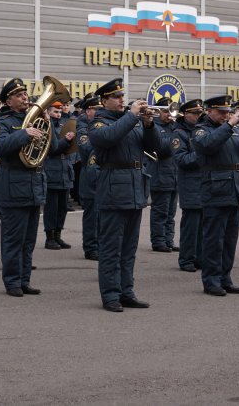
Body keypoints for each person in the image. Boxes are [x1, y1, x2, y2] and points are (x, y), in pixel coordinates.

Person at [88, 78, 159, 312]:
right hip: (113, 191)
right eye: (116, 97)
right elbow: (108, 138)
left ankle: (126, 291)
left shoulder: (134, 123)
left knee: (129, 248)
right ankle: (110, 295)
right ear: (104, 100)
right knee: (111, 248)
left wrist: (149, 125)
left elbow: (156, 148)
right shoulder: (98, 123)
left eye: (122, 96)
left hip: (135, 189)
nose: (121, 100)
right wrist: (132, 116)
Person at [0, 78, 46, 297]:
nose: (25, 98)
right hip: (13, 187)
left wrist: (53, 129)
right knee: (13, 240)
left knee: (28, 241)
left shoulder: (34, 119)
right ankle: (12, 282)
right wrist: (24, 133)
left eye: (25, 94)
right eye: (19, 95)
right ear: (8, 101)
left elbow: (52, 148)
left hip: (33, 188)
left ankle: (24, 280)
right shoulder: (4, 123)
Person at [191, 94, 239, 296]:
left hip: (234, 188)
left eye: (228, 112)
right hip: (215, 189)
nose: (225, 115)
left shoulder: (232, 130)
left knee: (229, 239)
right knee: (213, 239)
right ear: (209, 111)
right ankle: (211, 280)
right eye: (221, 112)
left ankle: (225, 277)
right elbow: (208, 145)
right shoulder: (202, 129)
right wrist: (230, 126)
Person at [173, 99, 205, 272]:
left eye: (200, 113)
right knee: (190, 226)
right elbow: (181, 159)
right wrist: (202, 154)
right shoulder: (179, 133)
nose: (198, 116)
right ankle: (186, 259)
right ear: (185, 114)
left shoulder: (203, 130)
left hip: (205, 183)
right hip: (190, 183)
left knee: (203, 226)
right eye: (194, 113)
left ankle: (199, 258)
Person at [42, 101, 75, 250]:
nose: (58, 114)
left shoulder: (64, 125)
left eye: (60, 112)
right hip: (52, 169)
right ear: (48, 112)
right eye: (55, 112)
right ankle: (50, 238)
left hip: (64, 169)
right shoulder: (45, 127)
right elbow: (52, 149)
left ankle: (58, 236)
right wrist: (66, 141)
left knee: (62, 208)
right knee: (51, 208)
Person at [148, 96, 179, 252]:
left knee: (171, 213)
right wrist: (176, 137)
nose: (169, 115)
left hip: (174, 176)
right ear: (158, 111)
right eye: (166, 112)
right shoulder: (154, 128)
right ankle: (158, 241)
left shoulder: (175, 127)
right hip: (160, 175)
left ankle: (169, 240)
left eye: (171, 112)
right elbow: (162, 149)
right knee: (160, 211)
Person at [76, 95, 101, 260]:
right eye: (95, 109)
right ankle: (91, 247)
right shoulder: (82, 128)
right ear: (87, 111)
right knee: (92, 214)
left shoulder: (100, 126)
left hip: (103, 174)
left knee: (103, 215)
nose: (98, 112)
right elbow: (86, 149)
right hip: (90, 175)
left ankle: (101, 244)